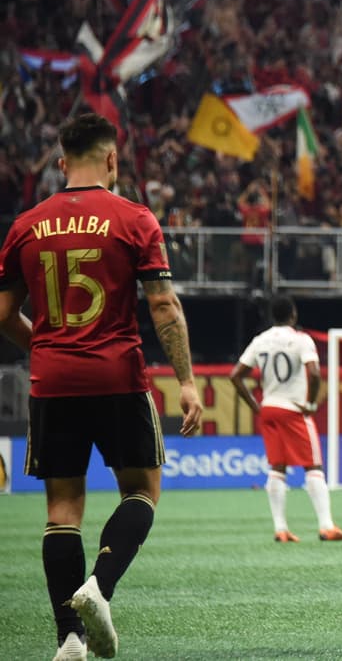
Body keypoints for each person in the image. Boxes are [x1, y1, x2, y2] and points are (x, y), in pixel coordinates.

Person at [0, 113, 204, 661]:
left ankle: (69, 638)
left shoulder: (26, 225)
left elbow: (2, 314)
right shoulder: (134, 219)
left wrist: (44, 346)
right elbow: (162, 305)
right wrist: (186, 382)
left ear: (61, 164)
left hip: (53, 381)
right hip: (118, 375)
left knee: (62, 508)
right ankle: (99, 587)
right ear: (112, 159)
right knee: (142, 491)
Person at [229, 295, 342, 543]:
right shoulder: (301, 340)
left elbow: (235, 376)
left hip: (269, 409)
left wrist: (256, 407)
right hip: (293, 409)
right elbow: (315, 373)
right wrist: (309, 402)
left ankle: (281, 529)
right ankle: (326, 526)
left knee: (277, 467)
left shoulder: (260, 340)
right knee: (313, 467)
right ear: (293, 314)